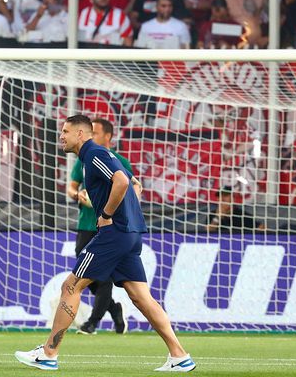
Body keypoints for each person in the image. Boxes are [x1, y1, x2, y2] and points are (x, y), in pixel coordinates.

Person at [15, 114, 195, 373]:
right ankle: (180, 356)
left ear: (80, 134)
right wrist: (126, 211)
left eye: (66, 131)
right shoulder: (100, 156)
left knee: (71, 286)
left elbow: (122, 182)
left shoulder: (92, 154)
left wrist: (108, 214)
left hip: (114, 234)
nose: (61, 136)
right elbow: (134, 184)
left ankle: (48, 353)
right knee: (141, 297)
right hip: (130, 233)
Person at [67, 118, 141, 336]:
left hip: (108, 225)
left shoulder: (117, 160)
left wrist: (112, 212)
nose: (92, 137)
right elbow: (71, 188)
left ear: (107, 136)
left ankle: (92, 323)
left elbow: (132, 185)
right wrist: (77, 195)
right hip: (87, 223)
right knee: (88, 272)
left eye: (96, 133)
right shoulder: (82, 161)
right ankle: (114, 309)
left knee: (99, 277)